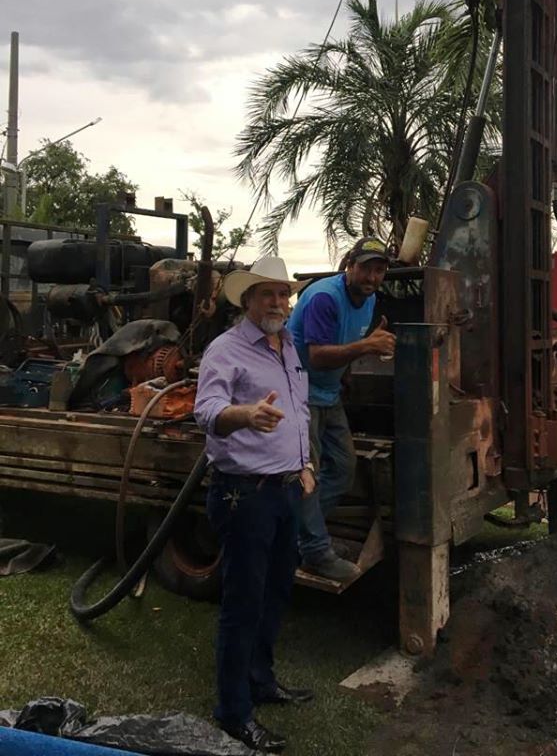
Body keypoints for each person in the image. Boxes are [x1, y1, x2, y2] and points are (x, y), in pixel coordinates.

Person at [194, 256, 316, 754]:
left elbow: (299, 411)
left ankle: (261, 680)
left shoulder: (287, 347)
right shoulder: (226, 350)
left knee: (275, 594)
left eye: (283, 295)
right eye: (267, 294)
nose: (278, 303)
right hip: (243, 495)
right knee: (243, 604)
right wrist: (243, 414)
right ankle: (233, 711)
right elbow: (206, 411)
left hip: (286, 489)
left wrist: (304, 463)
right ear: (247, 301)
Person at [287, 236, 396, 581]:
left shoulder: (368, 299)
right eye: (366, 268)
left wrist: (346, 372)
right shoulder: (324, 297)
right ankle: (316, 552)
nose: (372, 277)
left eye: (379, 271)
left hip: (328, 392)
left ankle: (297, 530)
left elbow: (344, 341)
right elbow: (317, 354)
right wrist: (367, 346)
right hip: (300, 392)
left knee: (344, 467)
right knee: (307, 475)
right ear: (349, 265)